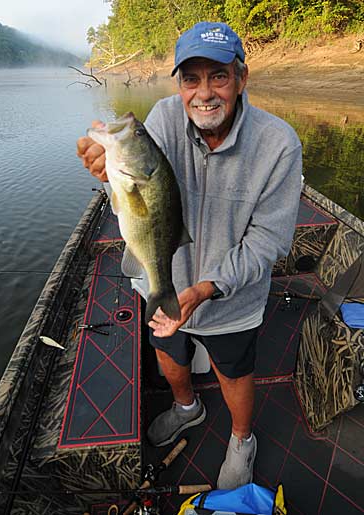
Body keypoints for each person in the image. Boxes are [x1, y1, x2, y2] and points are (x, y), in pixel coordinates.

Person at [76, 21, 302, 489]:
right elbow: (134, 188)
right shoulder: (160, 118)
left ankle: (242, 440)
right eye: (190, 79)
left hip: (230, 299)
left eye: (218, 76)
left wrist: (206, 289)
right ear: (179, 83)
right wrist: (105, 168)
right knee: (169, 357)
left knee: (235, 372)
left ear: (242, 78)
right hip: (162, 284)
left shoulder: (279, 144)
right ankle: (187, 408)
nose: (204, 93)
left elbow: (269, 240)